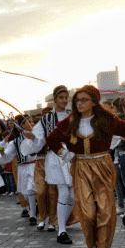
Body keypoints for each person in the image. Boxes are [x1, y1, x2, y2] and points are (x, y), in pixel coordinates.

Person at [46, 85, 125, 248]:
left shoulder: (105, 119)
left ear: (93, 102)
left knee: (105, 210)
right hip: (80, 167)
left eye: (83, 100)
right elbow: (52, 139)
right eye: (77, 100)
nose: (79, 103)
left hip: (103, 166)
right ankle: (91, 246)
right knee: (87, 211)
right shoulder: (71, 121)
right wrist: (66, 154)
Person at [32, 85, 76, 238]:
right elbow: (38, 139)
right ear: (55, 99)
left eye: (66, 98)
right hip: (55, 157)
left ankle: (60, 222)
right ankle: (61, 230)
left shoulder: (73, 115)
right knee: (63, 192)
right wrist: (32, 139)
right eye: (61, 97)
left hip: (71, 157)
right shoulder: (46, 119)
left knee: (73, 197)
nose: (64, 100)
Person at [0, 115, 41, 227]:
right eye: (29, 122)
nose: (32, 124)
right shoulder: (15, 142)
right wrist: (2, 152)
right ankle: (33, 207)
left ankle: (33, 215)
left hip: (35, 166)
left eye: (32, 122)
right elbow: (7, 157)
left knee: (31, 190)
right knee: (26, 193)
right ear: (21, 126)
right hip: (22, 168)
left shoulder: (38, 136)